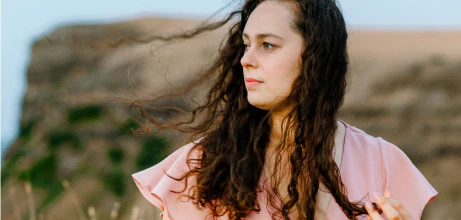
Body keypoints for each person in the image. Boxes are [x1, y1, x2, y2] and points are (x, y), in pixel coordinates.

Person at [131, 0, 437, 219]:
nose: (246, 59)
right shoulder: (204, 164)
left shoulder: (383, 163)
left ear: (314, 55)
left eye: (267, 45)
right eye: (246, 44)